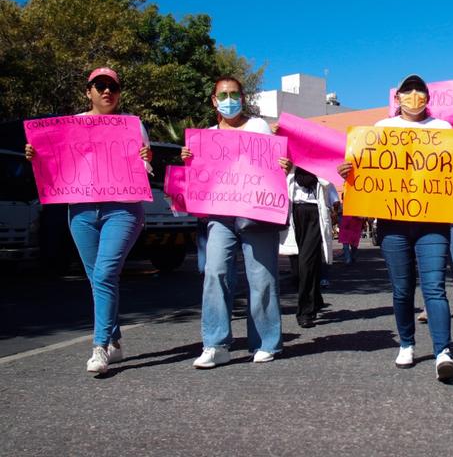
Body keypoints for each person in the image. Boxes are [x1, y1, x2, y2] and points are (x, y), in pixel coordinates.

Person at [337, 74, 453, 381]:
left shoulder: (443, 130)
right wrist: (347, 171)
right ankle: (407, 342)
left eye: (420, 90)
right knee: (402, 290)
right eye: (407, 90)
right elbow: (361, 169)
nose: (414, 95)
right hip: (393, 224)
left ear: (428, 98)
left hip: (433, 223)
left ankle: (443, 352)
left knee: (434, 288)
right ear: (397, 98)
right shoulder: (381, 130)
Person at [25, 67, 152, 374]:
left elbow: (144, 171)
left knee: (106, 273)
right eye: (100, 85)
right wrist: (36, 155)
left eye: (112, 86)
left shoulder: (132, 126)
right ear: (89, 91)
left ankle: (100, 347)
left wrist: (146, 158)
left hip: (122, 209)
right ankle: (116, 340)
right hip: (80, 211)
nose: (106, 91)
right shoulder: (73, 125)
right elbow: (57, 164)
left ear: (119, 93)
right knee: (99, 279)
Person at [181, 76, 288, 368]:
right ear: (214, 101)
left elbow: (272, 168)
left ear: (243, 98)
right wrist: (189, 160)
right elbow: (201, 178)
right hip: (220, 216)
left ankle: (266, 342)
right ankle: (216, 343)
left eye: (234, 94)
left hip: (256, 215)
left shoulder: (258, 127)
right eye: (223, 95)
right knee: (214, 272)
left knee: (262, 278)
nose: (229, 100)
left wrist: (283, 164)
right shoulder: (205, 136)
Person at [278, 168, 336, 328]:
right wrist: (285, 168)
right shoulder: (288, 158)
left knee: (307, 262)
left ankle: (305, 312)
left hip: (314, 210)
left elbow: (329, 177)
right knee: (297, 269)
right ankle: (315, 297)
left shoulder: (320, 157)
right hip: (292, 210)